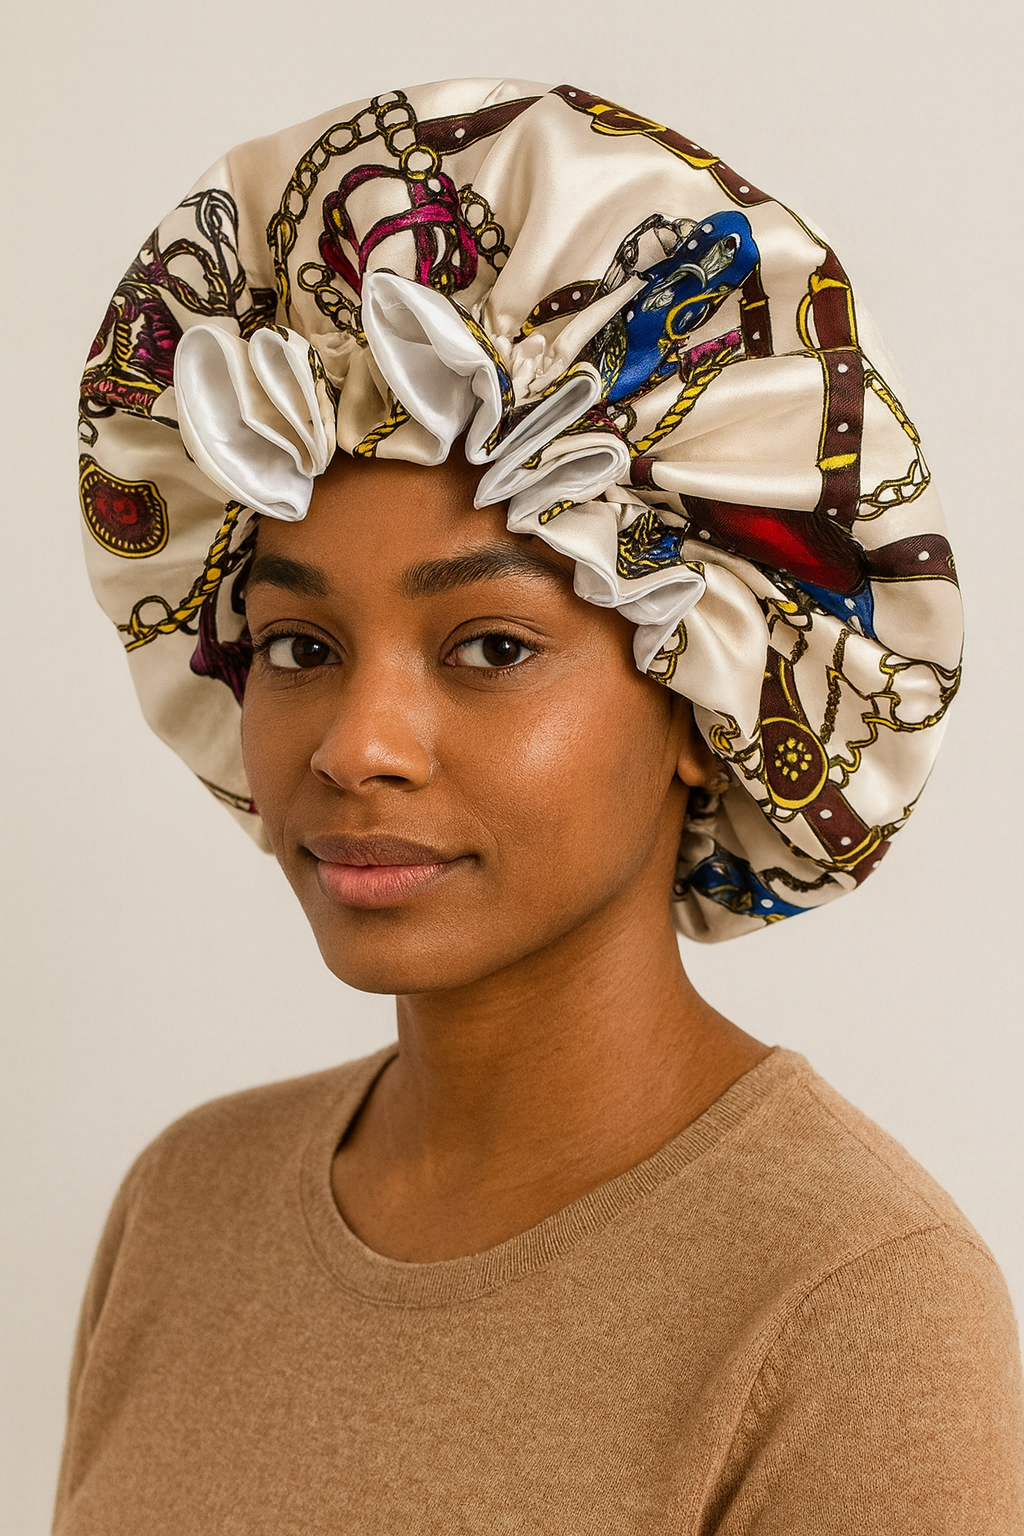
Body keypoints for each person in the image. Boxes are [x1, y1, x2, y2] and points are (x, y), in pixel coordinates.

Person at [58, 77, 1023, 1531]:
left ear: (709, 696)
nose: (357, 747)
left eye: (492, 649)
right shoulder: (183, 1210)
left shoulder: (851, 1306)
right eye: (301, 648)